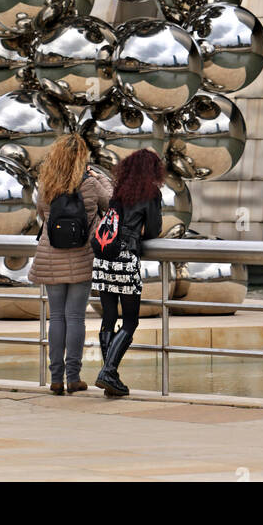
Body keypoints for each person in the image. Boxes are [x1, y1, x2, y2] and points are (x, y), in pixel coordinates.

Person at [29, 133, 111, 395]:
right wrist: (101, 178)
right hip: (81, 256)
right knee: (75, 317)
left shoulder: (47, 184)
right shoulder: (89, 184)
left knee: (57, 317)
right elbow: (111, 203)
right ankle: (73, 377)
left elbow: (42, 214)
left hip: (51, 256)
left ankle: (55, 378)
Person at [92, 147, 165, 398]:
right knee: (131, 320)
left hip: (103, 258)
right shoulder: (151, 193)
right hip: (125, 257)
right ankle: (108, 371)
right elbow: (154, 230)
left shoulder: (120, 191)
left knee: (109, 317)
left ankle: (109, 374)